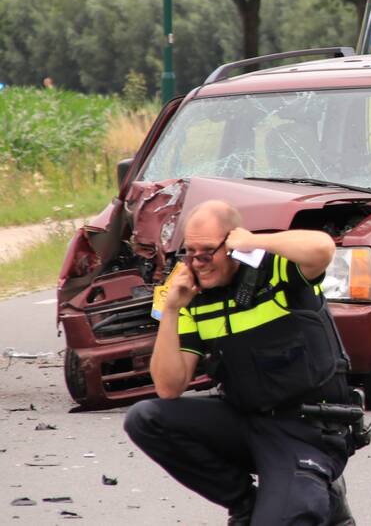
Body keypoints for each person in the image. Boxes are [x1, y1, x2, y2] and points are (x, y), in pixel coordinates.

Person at [124, 200, 357, 525]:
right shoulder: (194, 297)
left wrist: (254, 241)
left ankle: (325, 496)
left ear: (232, 244)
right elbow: (168, 387)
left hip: (305, 429)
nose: (198, 263)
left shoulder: (274, 270)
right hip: (246, 421)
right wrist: (172, 310)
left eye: (207, 252)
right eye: (190, 252)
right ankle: (245, 503)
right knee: (145, 418)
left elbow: (322, 248)